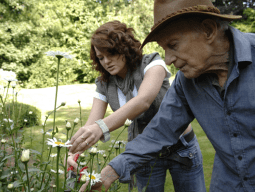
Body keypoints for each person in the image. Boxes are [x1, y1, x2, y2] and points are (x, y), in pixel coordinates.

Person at [75, 0, 255, 191]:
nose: (168, 59)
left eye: (173, 45)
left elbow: (143, 100)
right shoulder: (186, 82)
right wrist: (109, 173)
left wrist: (101, 127)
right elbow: (159, 132)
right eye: (164, 48)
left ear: (208, 30)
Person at [68, 20, 205, 192]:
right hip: (143, 152)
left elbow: (143, 101)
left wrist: (101, 127)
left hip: (181, 147)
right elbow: (91, 124)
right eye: (100, 57)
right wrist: (73, 150)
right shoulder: (104, 84)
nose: (106, 61)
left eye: (111, 53)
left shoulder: (152, 63)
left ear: (125, 48)